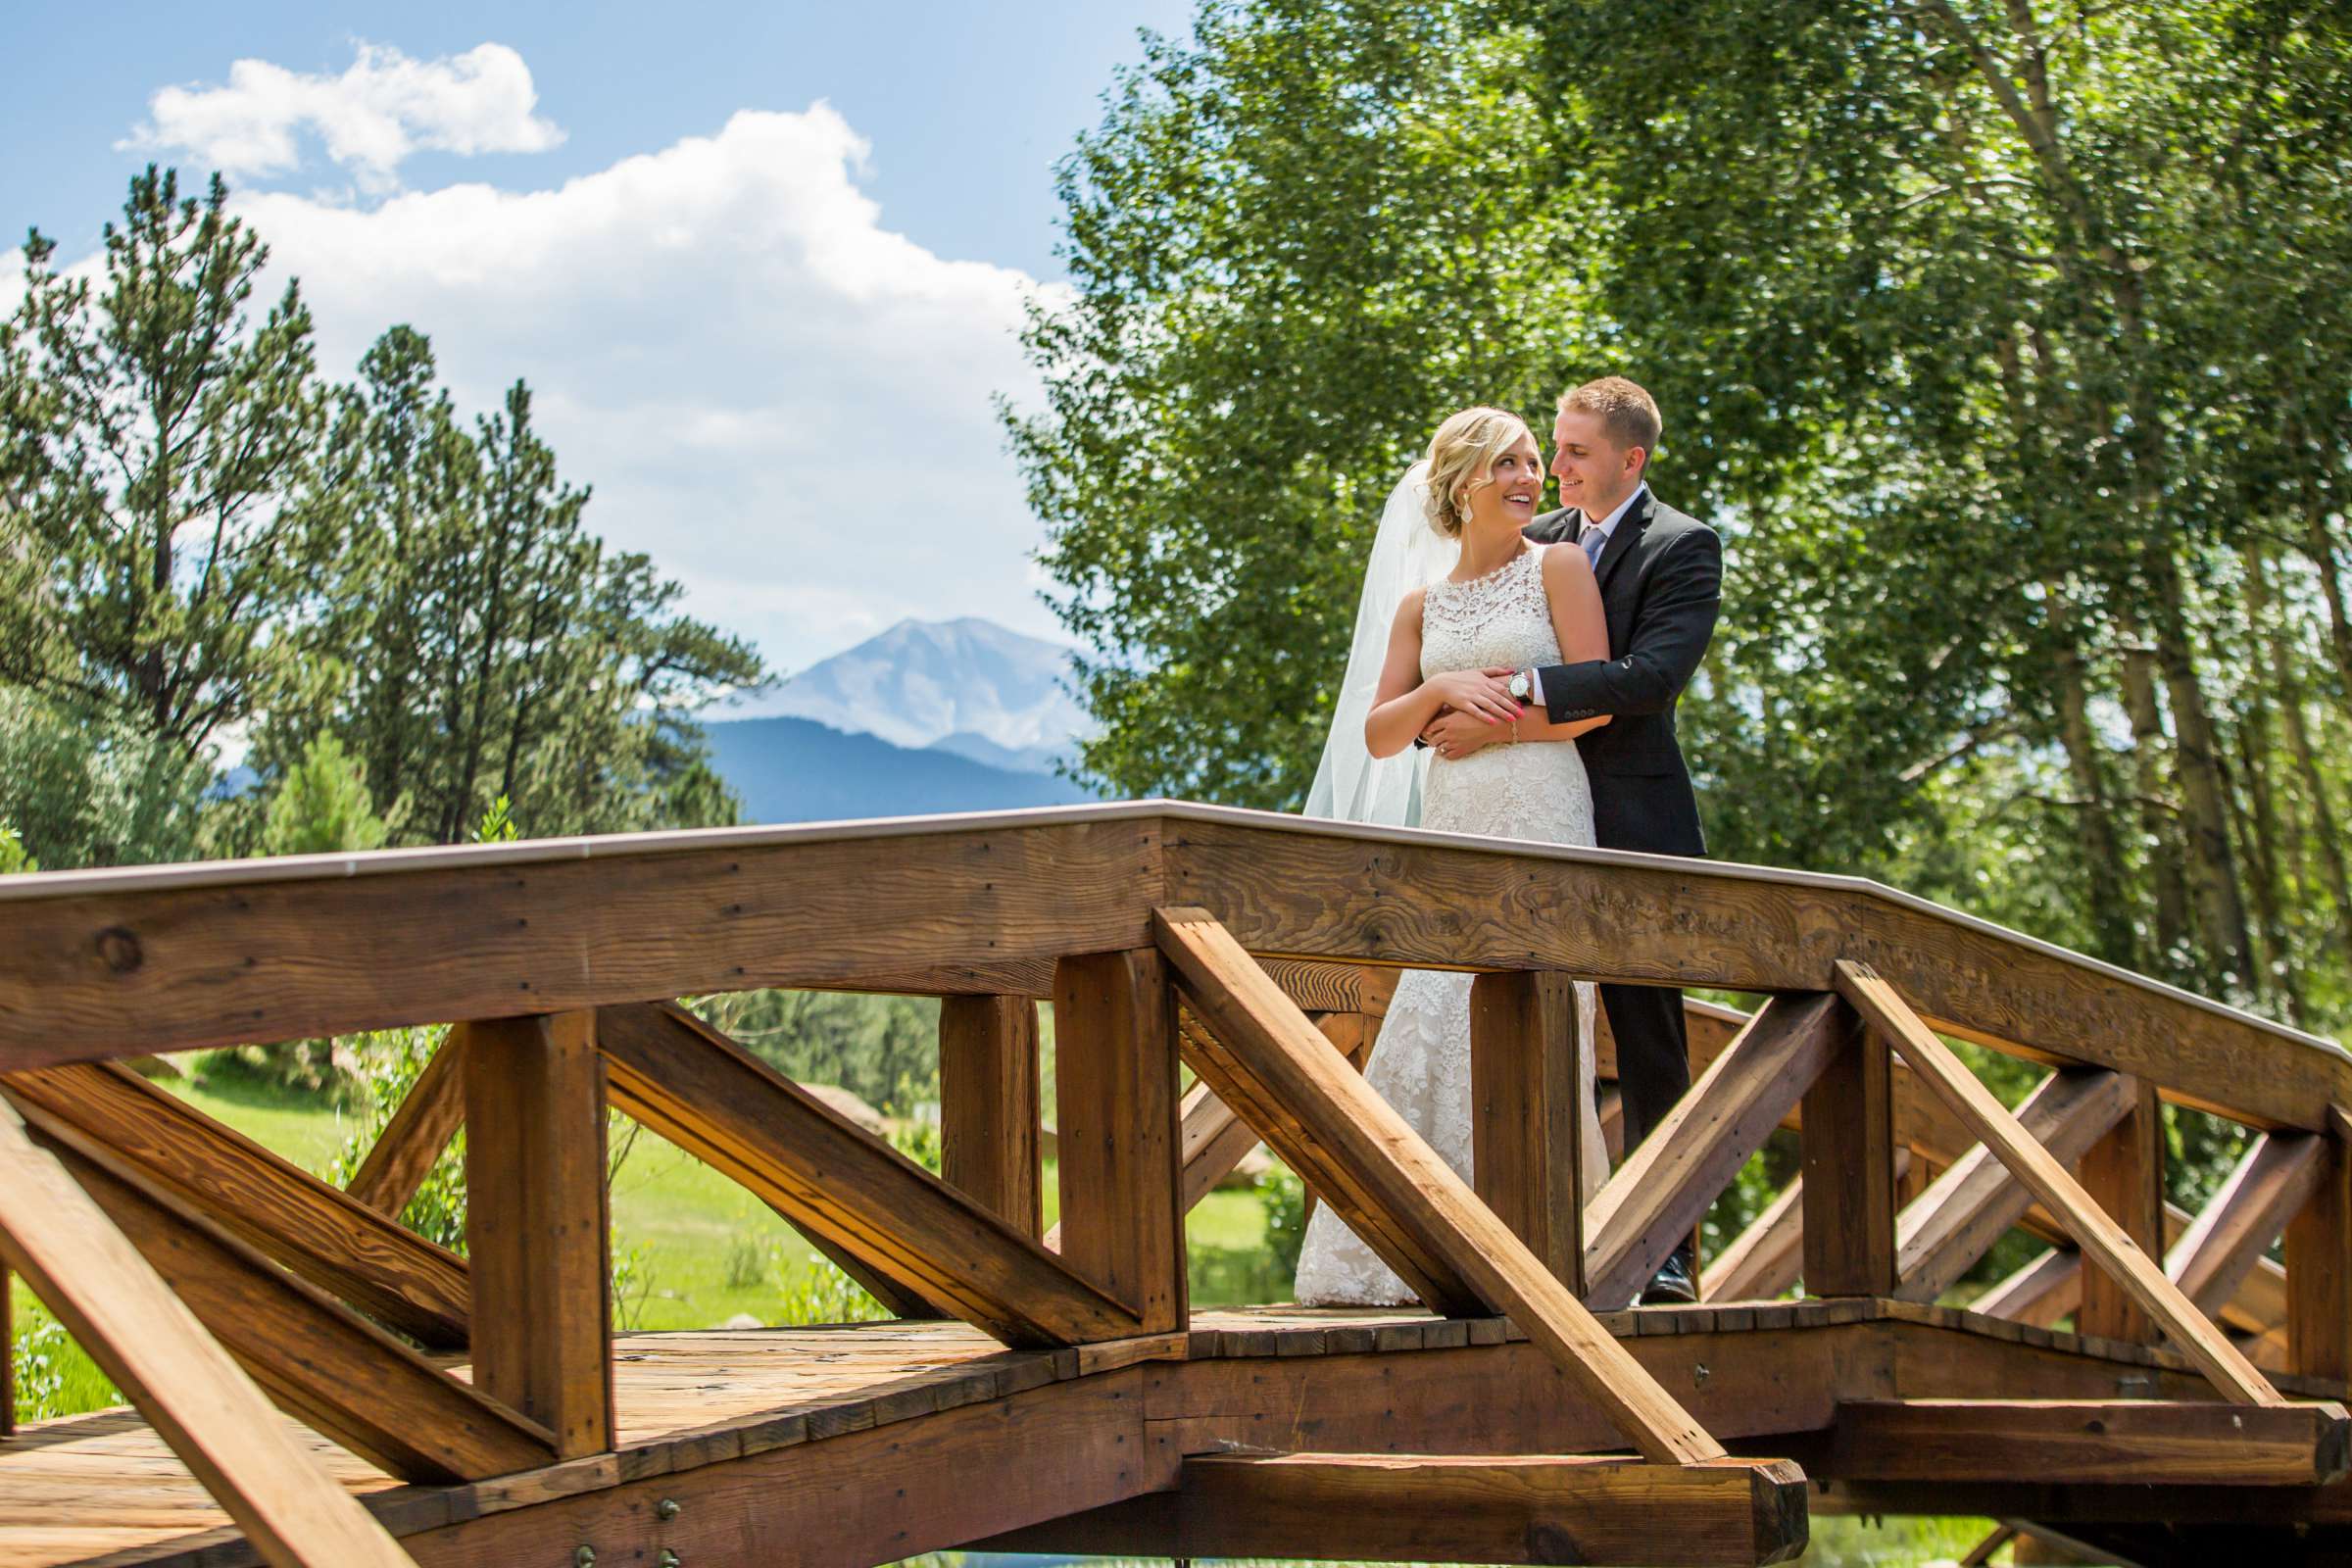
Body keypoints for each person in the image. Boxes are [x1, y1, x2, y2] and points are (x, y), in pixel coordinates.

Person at [1294, 406, 1615, 1307]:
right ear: (1461, 483)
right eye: (1507, 465)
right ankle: (1413, 1244)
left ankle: (1539, 1245)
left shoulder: (1560, 567)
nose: (1529, 478)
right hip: (1456, 822)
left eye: (1531, 462)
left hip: (1545, 808)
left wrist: (1489, 730)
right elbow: (1382, 734)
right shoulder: (1421, 607)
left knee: (1543, 1002)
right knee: (1434, 1014)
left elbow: (1594, 702)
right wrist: (1437, 688)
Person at [1420, 375, 1723, 1304]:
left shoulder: (1682, 546)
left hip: (1629, 819)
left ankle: (1665, 1250)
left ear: (1630, 460)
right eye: (1551, 448)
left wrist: (1507, 706)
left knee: (1646, 1035)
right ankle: (1517, 1234)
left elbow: (1648, 677)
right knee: (1509, 1013)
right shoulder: (1536, 542)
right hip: (1520, 816)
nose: (1553, 468)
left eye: (1576, 451)